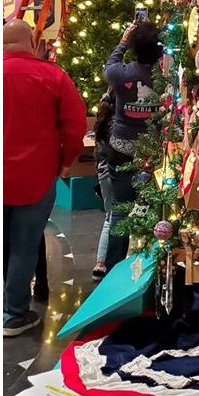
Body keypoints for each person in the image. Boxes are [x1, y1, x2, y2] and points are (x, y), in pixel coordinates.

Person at [3, 20, 87, 336]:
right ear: (32, 40)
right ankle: (13, 314)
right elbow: (75, 126)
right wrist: (65, 162)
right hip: (36, 176)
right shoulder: (53, 76)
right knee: (24, 246)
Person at [103, 22, 162, 270]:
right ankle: (150, 267)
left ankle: (113, 268)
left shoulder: (121, 74)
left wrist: (123, 42)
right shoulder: (165, 77)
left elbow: (109, 66)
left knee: (120, 211)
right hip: (153, 152)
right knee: (155, 210)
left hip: (121, 148)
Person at [91, 89, 115, 281]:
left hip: (103, 170)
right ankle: (109, 262)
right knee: (115, 216)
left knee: (109, 216)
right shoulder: (118, 122)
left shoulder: (103, 119)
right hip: (115, 171)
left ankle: (100, 262)